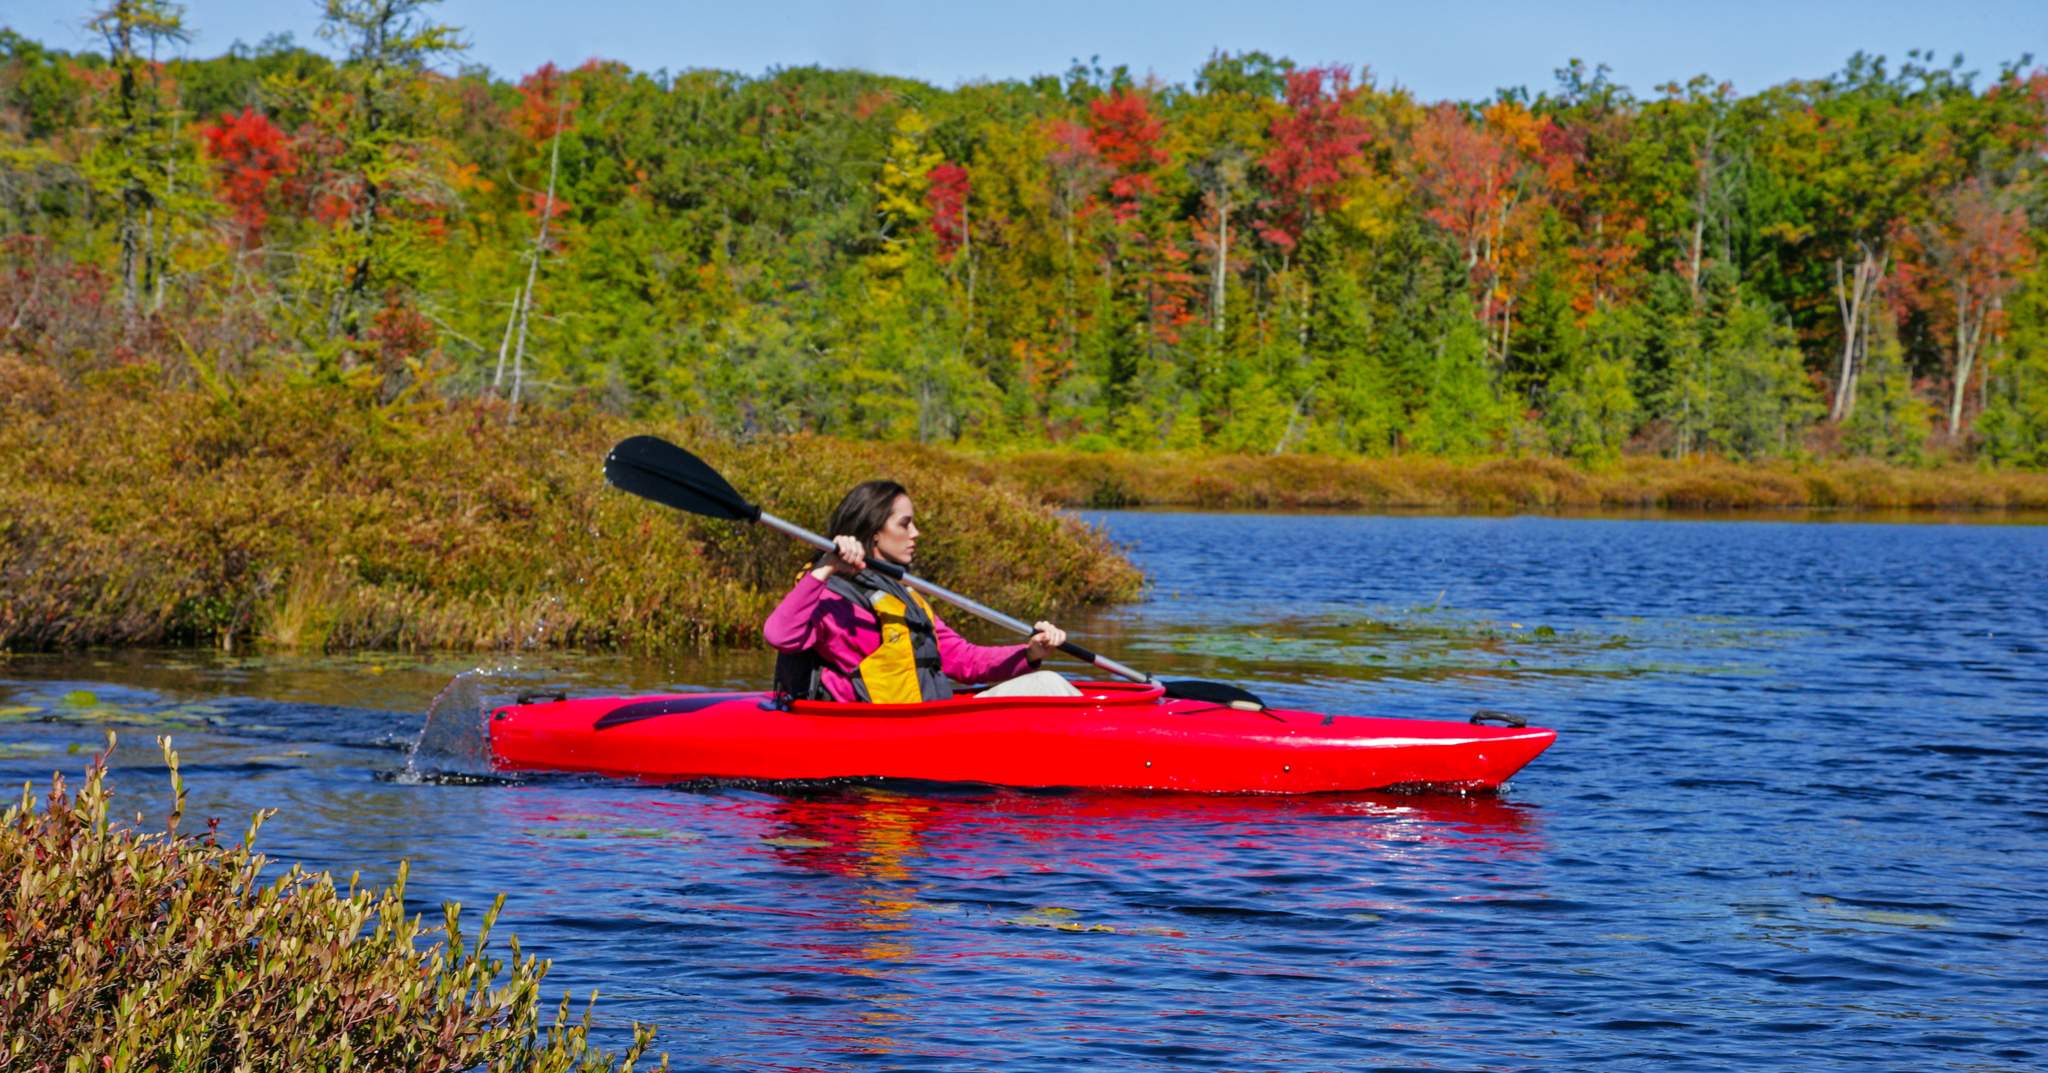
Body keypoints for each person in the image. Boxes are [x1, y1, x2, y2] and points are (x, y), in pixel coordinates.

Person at [763, 480, 1078, 703]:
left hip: (927, 722)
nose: (916, 533)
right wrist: (826, 566)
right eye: (905, 524)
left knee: (1043, 682)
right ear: (874, 533)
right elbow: (780, 635)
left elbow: (964, 660)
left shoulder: (906, 597)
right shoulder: (834, 598)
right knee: (1048, 684)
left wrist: (1031, 653)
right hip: (884, 733)